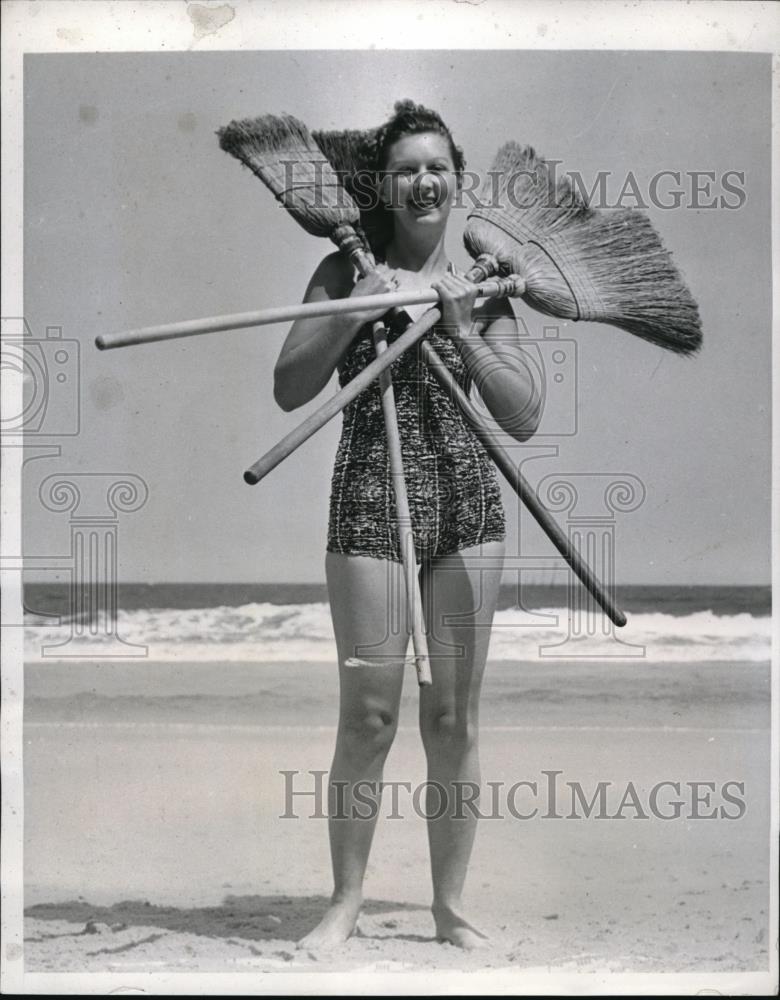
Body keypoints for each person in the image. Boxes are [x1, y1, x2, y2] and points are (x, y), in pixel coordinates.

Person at [273, 100, 541, 950]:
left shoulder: (486, 280)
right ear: (382, 187)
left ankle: (450, 908)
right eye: (405, 169)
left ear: (455, 179)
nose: (424, 181)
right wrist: (356, 308)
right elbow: (287, 388)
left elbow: (525, 414)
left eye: (438, 167)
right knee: (370, 717)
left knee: (453, 716)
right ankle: (346, 901)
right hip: (368, 502)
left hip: (467, 503)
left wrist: (462, 326)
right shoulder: (339, 268)